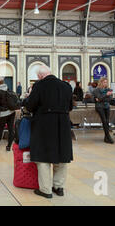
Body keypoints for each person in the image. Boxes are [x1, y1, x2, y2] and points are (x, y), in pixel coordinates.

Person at [24, 65, 73, 199]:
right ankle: (58, 187)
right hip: (62, 124)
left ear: (40, 76)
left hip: (43, 125)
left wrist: (29, 98)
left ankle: (45, 190)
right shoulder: (66, 86)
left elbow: (30, 106)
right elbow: (70, 106)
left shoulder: (39, 86)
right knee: (61, 154)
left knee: (43, 156)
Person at [93, 77, 114, 144]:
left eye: (106, 82)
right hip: (99, 107)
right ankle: (108, 136)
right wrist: (105, 95)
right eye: (104, 82)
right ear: (101, 82)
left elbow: (109, 99)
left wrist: (101, 99)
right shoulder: (96, 90)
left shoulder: (109, 89)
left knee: (107, 121)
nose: (105, 83)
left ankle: (106, 137)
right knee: (104, 121)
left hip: (107, 106)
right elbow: (99, 97)